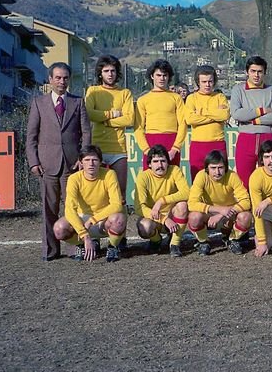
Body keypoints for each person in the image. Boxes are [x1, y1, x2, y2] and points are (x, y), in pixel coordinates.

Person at [26, 62, 91, 261]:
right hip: (47, 165)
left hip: (72, 165)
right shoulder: (39, 103)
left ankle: (75, 249)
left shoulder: (78, 102)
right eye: (58, 78)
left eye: (65, 78)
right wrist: (33, 162)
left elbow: (86, 132)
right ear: (50, 80)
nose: (62, 81)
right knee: (49, 209)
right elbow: (31, 136)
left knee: (73, 209)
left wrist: (82, 158)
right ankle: (50, 250)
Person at [52, 145, 127, 262]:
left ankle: (113, 246)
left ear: (100, 162)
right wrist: (84, 235)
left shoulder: (109, 174)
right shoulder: (74, 179)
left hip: (103, 220)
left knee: (119, 220)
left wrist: (93, 220)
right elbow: (69, 209)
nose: (91, 163)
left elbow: (116, 204)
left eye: (94, 160)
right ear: (81, 163)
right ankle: (81, 244)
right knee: (59, 229)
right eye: (87, 160)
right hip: (83, 220)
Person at [84, 55, 134, 201]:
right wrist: (111, 114)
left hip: (119, 149)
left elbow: (129, 119)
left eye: (113, 71)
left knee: (120, 193)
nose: (110, 74)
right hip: (97, 147)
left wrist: (106, 122)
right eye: (106, 71)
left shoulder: (125, 93)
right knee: (98, 195)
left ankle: (120, 224)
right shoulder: (93, 91)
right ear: (100, 73)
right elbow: (89, 113)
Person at [230, 55, 272, 189]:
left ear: (264, 72)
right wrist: (262, 110)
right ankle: (247, 208)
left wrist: (253, 120)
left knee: (269, 179)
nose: (256, 75)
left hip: (267, 138)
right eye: (253, 71)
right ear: (247, 72)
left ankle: (267, 208)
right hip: (246, 139)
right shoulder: (238, 90)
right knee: (244, 180)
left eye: (260, 71)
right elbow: (237, 114)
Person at [187, 150, 253, 255]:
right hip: (209, 215)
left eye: (220, 168)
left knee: (246, 217)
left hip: (228, 214)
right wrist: (219, 210)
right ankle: (203, 242)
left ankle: (233, 240)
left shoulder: (232, 176)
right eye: (213, 168)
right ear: (207, 169)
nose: (217, 172)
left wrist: (222, 213)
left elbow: (246, 201)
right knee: (194, 217)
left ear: (225, 167)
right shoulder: (201, 176)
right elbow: (192, 203)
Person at [134, 144, 193, 257]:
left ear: (167, 162)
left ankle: (174, 244)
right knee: (144, 226)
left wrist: (161, 201)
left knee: (182, 205)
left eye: (163, 161)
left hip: (172, 216)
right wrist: (164, 219)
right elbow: (139, 207)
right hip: (155, 218)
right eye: (155, 161)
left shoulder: (175, 170)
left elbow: (187, 192)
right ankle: (156, 241)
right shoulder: (143, 177)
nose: (160, 165)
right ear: (149, 164)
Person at [134, 59, 187, 170]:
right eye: (158, 75)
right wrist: (146, 150)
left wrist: (175, 148)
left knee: (172, 180)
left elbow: (182, 124)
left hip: (172, 142)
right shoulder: (143, 100)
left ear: (169, 77)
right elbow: (138, 128)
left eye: (165, 75)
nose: (162, 78)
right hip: (150, 141)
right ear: (152, 76)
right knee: (150, 181)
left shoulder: (176, 98)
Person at [184, 65, 230, 180]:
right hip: (198, 145)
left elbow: (224, 115)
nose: (207, 85)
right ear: (198, 82)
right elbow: (190, 119)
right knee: (198, 182)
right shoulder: (191, 98)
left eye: (210, 81)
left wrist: (202, 112)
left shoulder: (220, 97)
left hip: (218, 144)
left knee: (221, 181)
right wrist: (215, 115)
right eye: (204, 82)